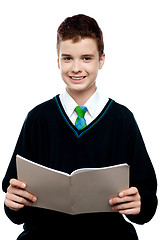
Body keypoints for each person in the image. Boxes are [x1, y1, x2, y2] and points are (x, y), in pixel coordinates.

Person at [2, 14, 157, 239]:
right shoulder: (38, 118)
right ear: (57, 61)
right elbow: (14, 201)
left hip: (108, 237)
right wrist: (13, 203)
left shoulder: (122, 120)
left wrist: (139, 203)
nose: (76, 68)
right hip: (45, 236)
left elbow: (147, 199)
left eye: (86, 58)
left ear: (101, 60)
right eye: (67, 58)